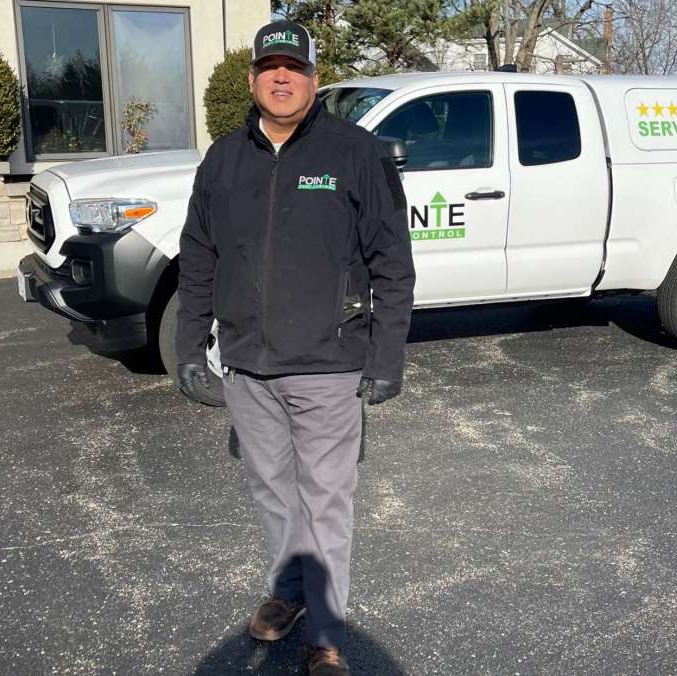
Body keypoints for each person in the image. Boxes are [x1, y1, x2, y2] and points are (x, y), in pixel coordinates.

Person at [175, 19, 415, 676]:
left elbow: (393, 261)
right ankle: (289, 594)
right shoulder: (224, 159)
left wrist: (386, 357)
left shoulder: (355, 153)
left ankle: (327, 631)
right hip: (248, 366)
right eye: (270, 67)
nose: (282, 78)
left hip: (329, 365)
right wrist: (190, 347)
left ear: (314, 79)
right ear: (252, 78)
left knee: (326, 498)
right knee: (273, 492)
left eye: (296, 68)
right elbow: (197, 258)